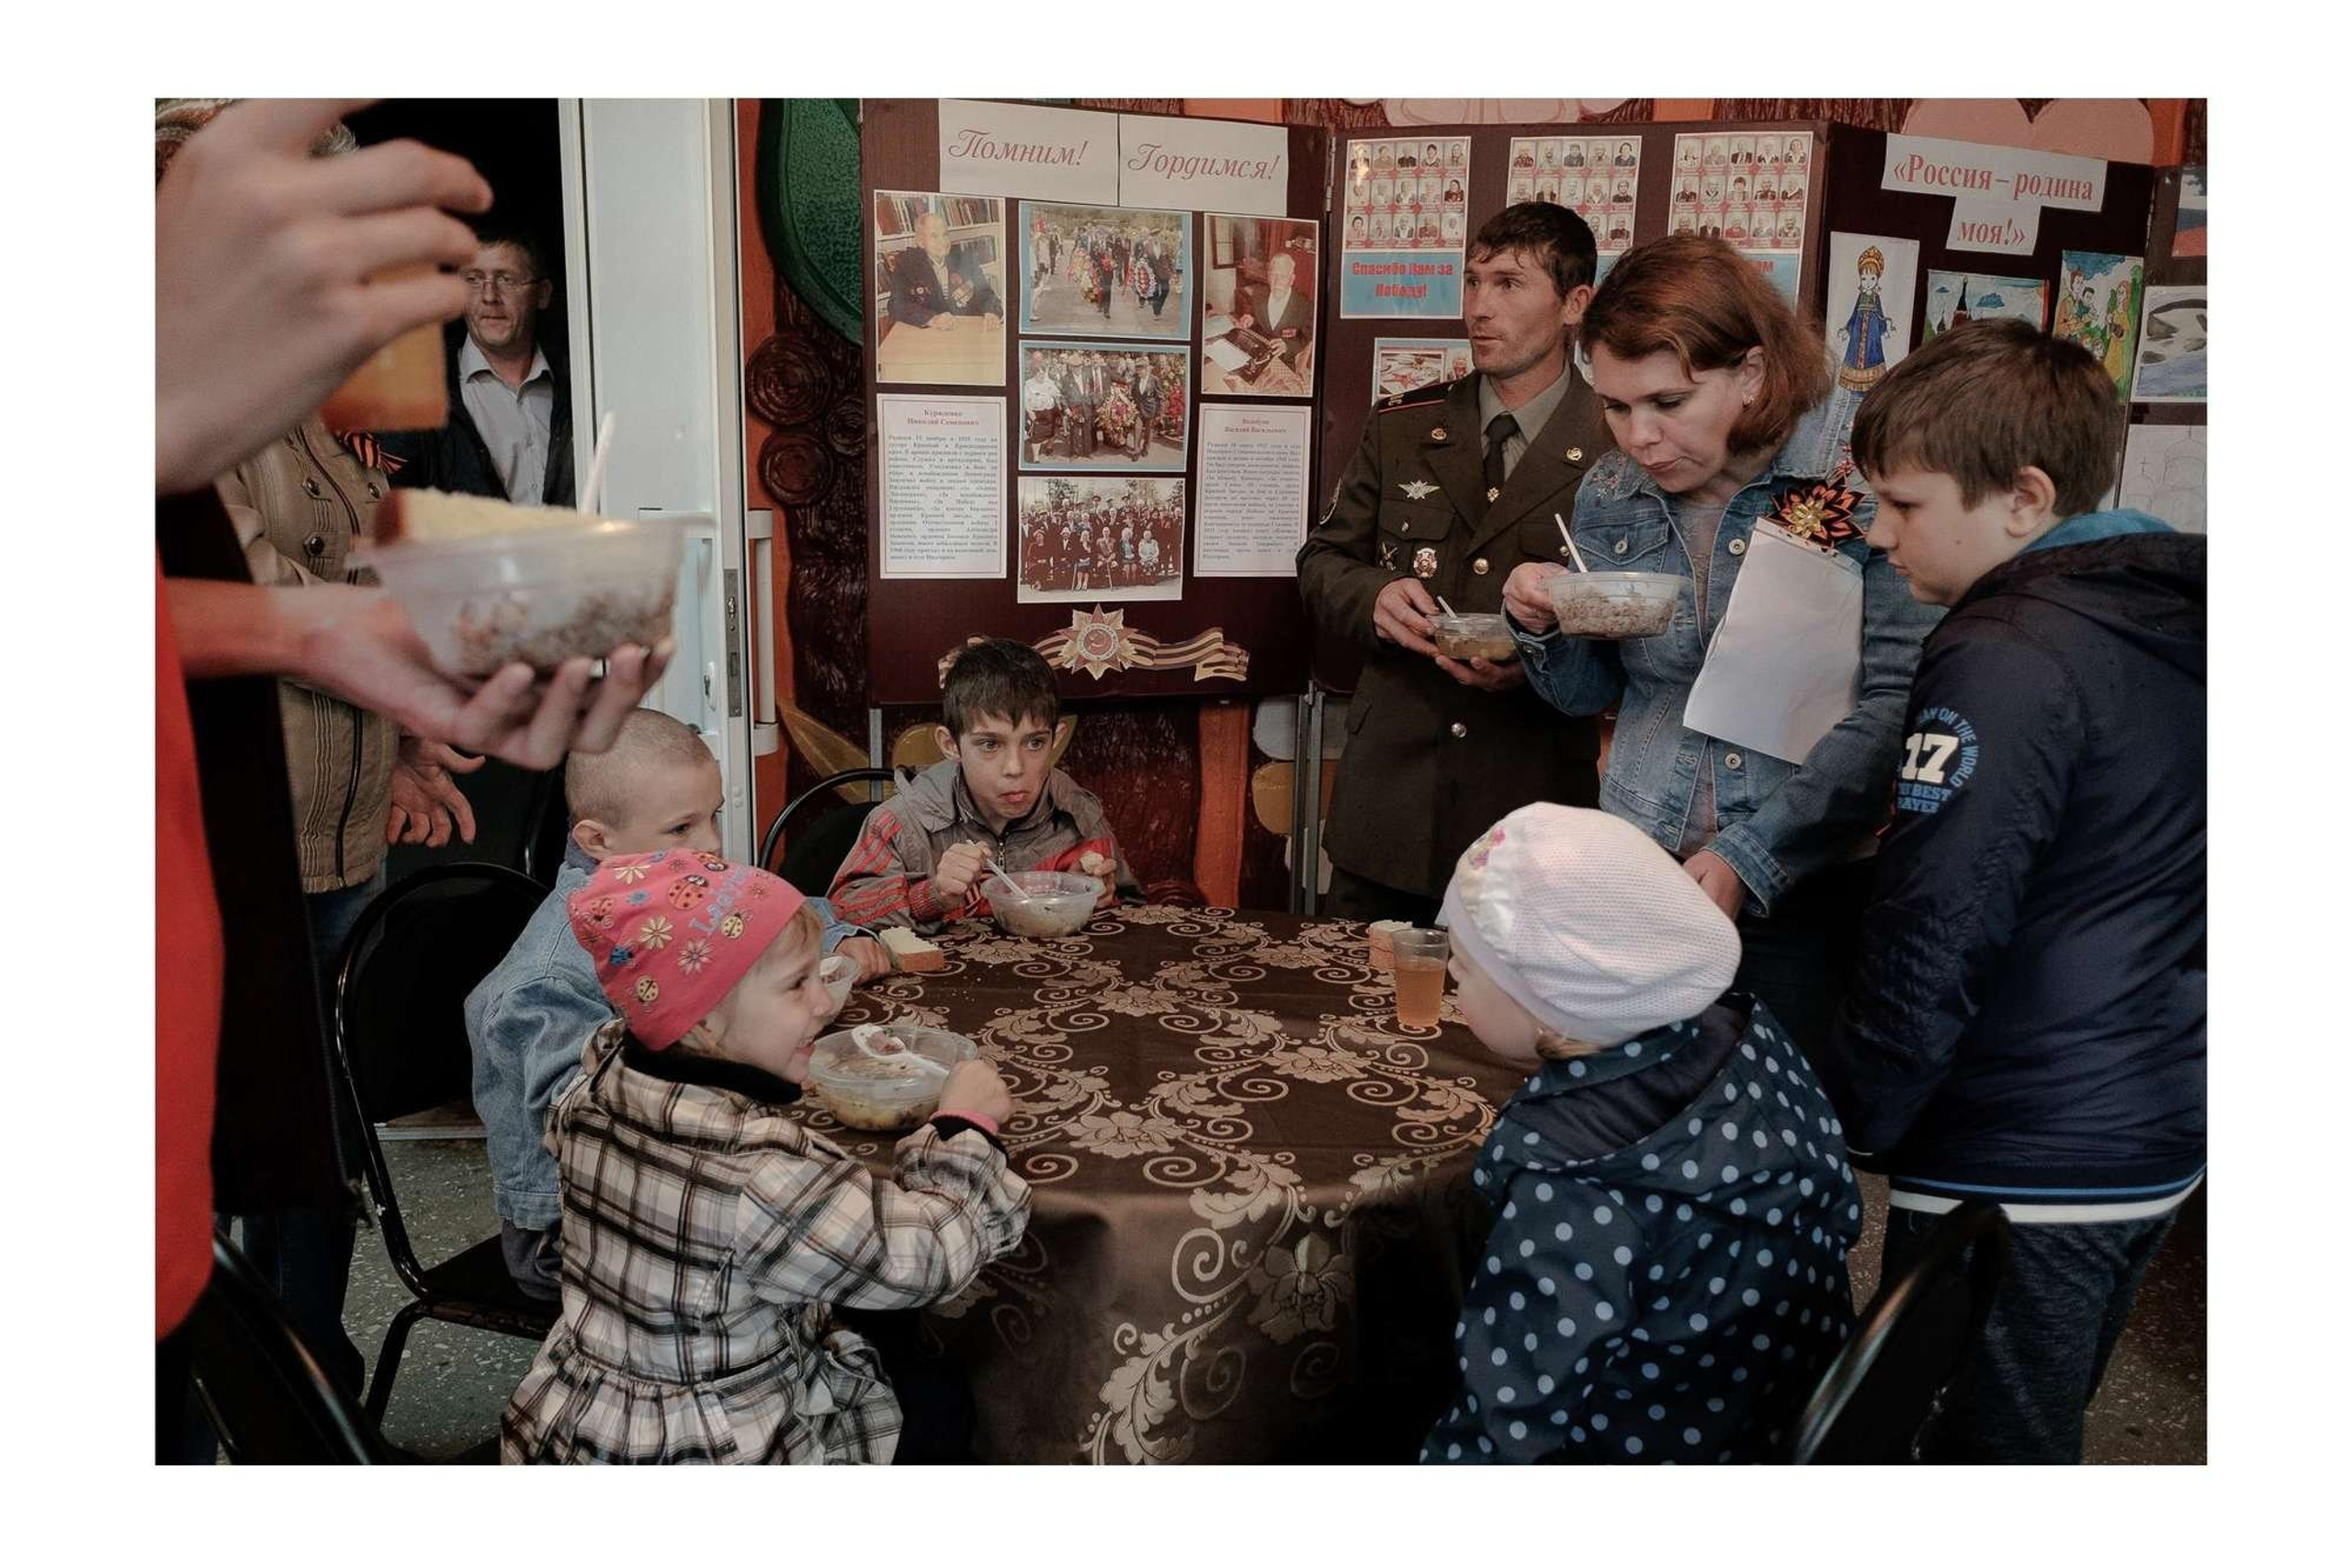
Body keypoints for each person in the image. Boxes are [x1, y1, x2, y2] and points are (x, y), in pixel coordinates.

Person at [155, 96, 669, 1460]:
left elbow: (205, 598)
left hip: (279, 841)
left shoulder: (301, 415)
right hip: (219, 856)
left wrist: (356, 667)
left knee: (286, 1150)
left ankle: (293, 1392)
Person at [1820, 320, 2205, 1463]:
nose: (1879, 536)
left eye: (1903, 505)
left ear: (2025, 498)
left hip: (2019, 1139)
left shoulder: (2003, 648)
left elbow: (1937, 916)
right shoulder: (2165, 612)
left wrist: (1853, 1123)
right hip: (2150, 1112)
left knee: (1972, 1457)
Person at [1501, 234, 1940, 1065]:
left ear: (1751, 373)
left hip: (1804, 885)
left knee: (1770, 1144)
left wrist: (1751, 852)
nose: (1638, 436)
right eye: (1617, 406)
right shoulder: (1611, 492)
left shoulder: (1850, 473)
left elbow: (1895, 704)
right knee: (1634, 1126)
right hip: (1645, 865)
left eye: (1668, 403)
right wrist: (1543, 622)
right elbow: (1587, 693)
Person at [500, 851, 1027, 1463]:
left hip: (586, 1426)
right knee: (941, 1398)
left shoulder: (590, 1090)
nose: (825, 1004)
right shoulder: (760, 1169)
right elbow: (928, 1259)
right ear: (704, 1020)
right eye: (796, 984)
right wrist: (966, 1126)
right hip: (711, 1447)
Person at [1420, 806, 1860, 1463]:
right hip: (1783, 1410)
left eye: (1468, 967)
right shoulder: (1746, 1037)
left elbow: (1511, 1417)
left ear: (1547, 1001)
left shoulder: (1570, 1183)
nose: (1453, 978)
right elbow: (1844, 1210)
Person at [466, 710, 884, 1302]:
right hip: (571, 1228)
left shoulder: (672, 886)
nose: (711, 844)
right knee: (816, 1238)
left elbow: (761, 907)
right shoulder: (548, 976)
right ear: (597, 841)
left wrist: (841, 933)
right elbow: (593, 1131)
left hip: (668, 1176)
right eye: (682, 827)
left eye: (712, 816)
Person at [1295, 203, 1614, 924]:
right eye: (1472, 283)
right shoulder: (1405, 424)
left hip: (1529, 815)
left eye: (1508, 284)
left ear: (1575, 303)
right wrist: (1372, 596)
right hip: (1391, 812)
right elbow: (1321, 561)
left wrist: (1535, 666)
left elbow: (1637, 627)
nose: (1478, 308)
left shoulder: (1613, 444)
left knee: (1504, 1034)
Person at [829, 638, 1141, 932]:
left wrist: (1090, 898)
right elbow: (840, 912)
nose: (1015, 768)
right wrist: (932, 896)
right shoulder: (902, 823)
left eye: (1034, 743)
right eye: (990, 744)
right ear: (951, 745)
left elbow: (1133, 911)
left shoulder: (1080, 814)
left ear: (1055, 740)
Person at [381, 224, 575, 507]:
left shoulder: (580, 383)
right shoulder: (417, 394)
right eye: (473, 280)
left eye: (506, 280)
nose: (489, 296)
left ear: (543, 294)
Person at [887, 209, 1003, 331]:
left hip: (965, 332)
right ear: (921, 242)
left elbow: (986, 294)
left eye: (945, 234)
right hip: (929, 335)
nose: (942, 241)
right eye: (934, 236)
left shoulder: (966, 259)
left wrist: (992, 313)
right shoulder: (907, 264)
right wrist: (931, 319)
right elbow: (896, 304)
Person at [1238, 250, 1312, 369]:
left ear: (1292, 279)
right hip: (1256, 352)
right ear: (1268, 276)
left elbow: (1306, 335)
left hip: (1283, 361)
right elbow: (1256, 318)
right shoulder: (1258, 294)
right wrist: (1251, 319)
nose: (1277, 282)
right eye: (1274, 275)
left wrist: (1288, 346)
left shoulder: (1304, 306)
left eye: (1283, 276)